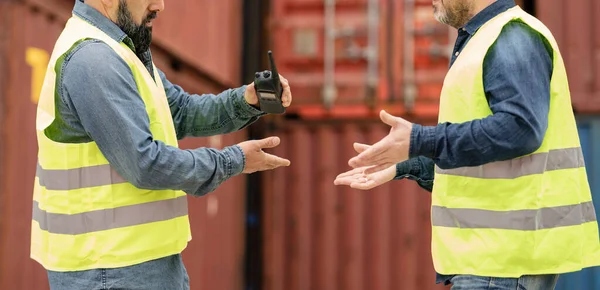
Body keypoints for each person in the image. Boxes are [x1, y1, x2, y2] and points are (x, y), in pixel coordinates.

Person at [334, 0, 600, 289]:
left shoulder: (511, 37)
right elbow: (489, 156)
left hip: (503, 263)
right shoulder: (485, 38)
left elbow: (520, 129)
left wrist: (421, 140)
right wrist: (405, 164)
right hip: (494, 259)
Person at [31, 0, 292, 289]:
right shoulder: (93, 59)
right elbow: (145, 164)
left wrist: (246, 99)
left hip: (137, 263)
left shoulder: (121, 50)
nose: (160, 5)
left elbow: (179, 110)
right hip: (108, 269)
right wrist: (234, 161)